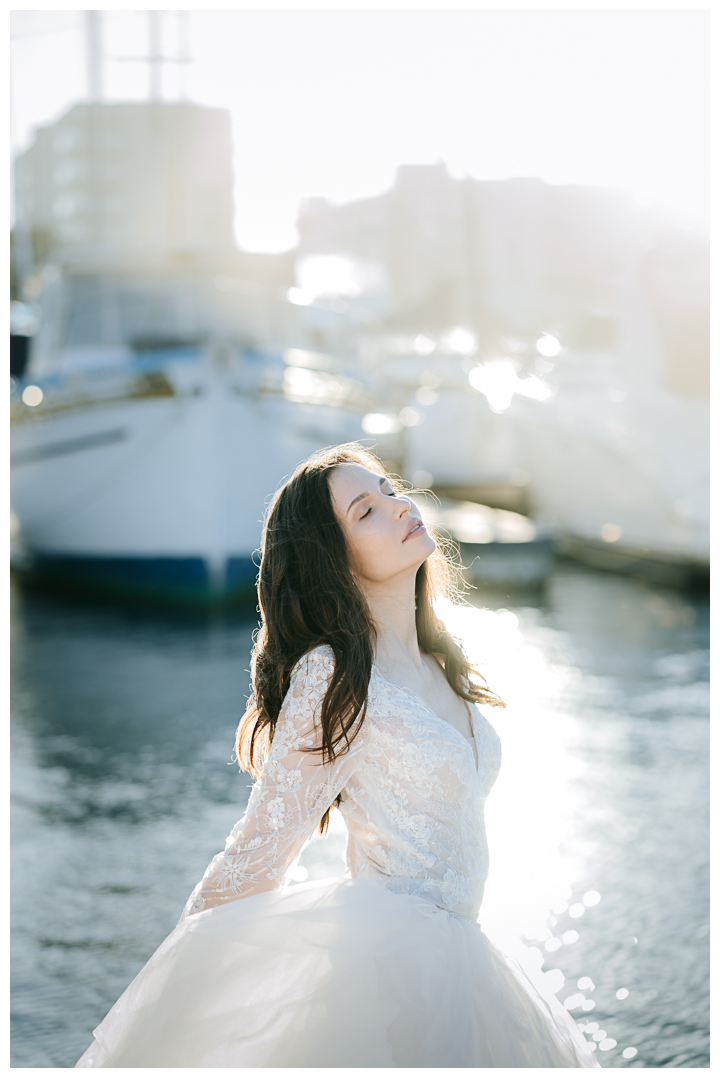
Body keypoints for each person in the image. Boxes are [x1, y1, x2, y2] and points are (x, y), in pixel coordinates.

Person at [76, 443, 599, 1068]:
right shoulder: (334, 677)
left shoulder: (440, 661)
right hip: (392, 970)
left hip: (469, 960)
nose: (399, 506)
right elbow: (260, 851)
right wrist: (167, 996)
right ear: (334, 559)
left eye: (390, 489)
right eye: (366, 511)